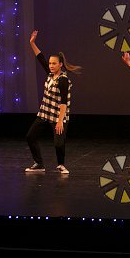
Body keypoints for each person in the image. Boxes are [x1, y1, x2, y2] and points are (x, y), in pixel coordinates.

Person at [25, 30, 82, 174]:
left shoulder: (63, 80)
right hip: (45, 113)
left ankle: (61, 165)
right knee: (30, 136)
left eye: (54, 63)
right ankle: (39, 164)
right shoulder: (50, 75)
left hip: (58, 115)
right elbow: (40, 57)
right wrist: (32, 43)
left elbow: (64, 103)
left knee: (58, 143)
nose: (50, 65)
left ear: (60, 64)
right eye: (50, 63)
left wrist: (60, 121)